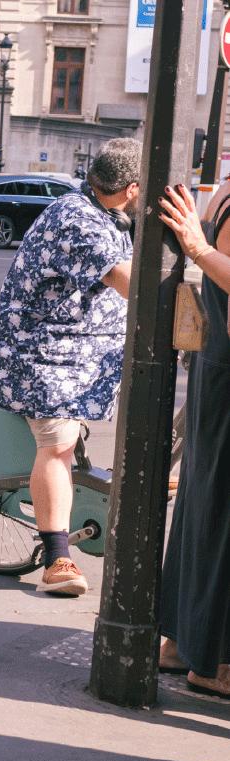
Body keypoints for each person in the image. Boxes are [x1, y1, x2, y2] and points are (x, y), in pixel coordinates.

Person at [0, 138, 141, 596]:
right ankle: (57, 561)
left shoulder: (110, 212)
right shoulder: (78, 219)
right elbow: (128, 282)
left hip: (84, 348)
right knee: (58, 441)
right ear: (132, 188)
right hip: (39, 348)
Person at [157, 182, 230, 698]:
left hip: (218, 366)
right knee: (217, 510)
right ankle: (213, 662)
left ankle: (184, 643)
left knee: (206, 505)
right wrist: (201, 251)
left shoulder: (224, 192)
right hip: (225, 371)